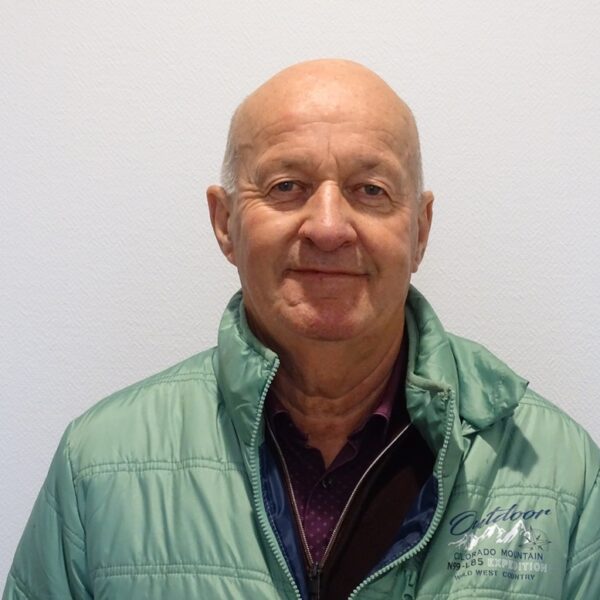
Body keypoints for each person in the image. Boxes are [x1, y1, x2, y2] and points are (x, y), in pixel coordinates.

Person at [3, 59, 599, 600]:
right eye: (287, 187)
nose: (329, 227)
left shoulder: (560, 472)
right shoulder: (97, 466)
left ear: (420, 230)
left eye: (371, 190)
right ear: (225, 223)